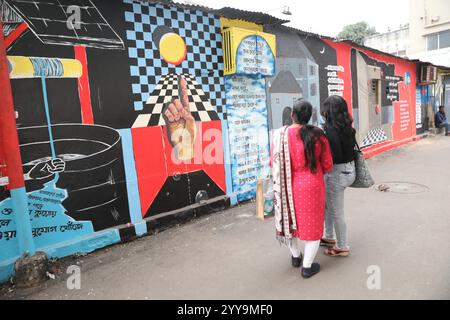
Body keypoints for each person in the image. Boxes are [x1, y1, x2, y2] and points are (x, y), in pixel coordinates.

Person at [271, 99, 333, 278]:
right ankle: (307, 267)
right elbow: (327, 164)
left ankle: (296, 256)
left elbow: (273, 162)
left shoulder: (279, 135)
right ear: (310, 116)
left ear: (292, 115)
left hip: (287, 186)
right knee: (312, 227)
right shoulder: (318, 134)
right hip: (313, 186)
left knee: (289, 222)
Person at [321, 95, 356, 257]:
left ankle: (342, 246)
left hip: (337, 173)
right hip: (349, 170)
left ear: (330, 111)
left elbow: (334, 156)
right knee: (329, 206)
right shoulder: (347, 125)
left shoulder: (331, 130)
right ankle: (329, 237)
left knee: (336, 211)